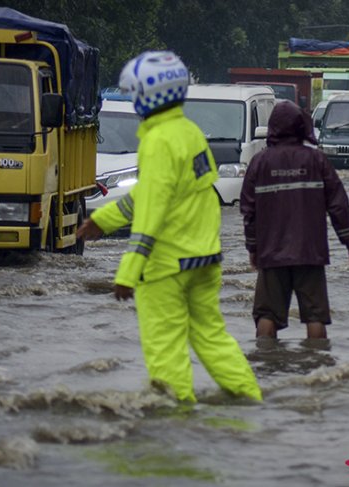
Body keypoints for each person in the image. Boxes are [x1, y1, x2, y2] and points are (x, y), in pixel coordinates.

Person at [76, 51, 262, 403]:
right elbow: (160, 193)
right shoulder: (190, 133)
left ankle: (174, 420)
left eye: (133, 94)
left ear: (146, 96)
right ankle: (249, 400)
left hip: (167, 266)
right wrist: (103, 220)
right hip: (204, 258)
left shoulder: (157, 141)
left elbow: (152, 207)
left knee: (165, 348)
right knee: (212, 337)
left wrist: (129, 270)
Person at [240, 101, 349, 340]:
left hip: (271, 253)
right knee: (315, 316)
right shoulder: (317, 161)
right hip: (310, 252)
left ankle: (267, 367)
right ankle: (318, 367)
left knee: (267, 316)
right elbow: (338, 204)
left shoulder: (259, 163)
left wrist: (253, 248)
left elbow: (248, 211)